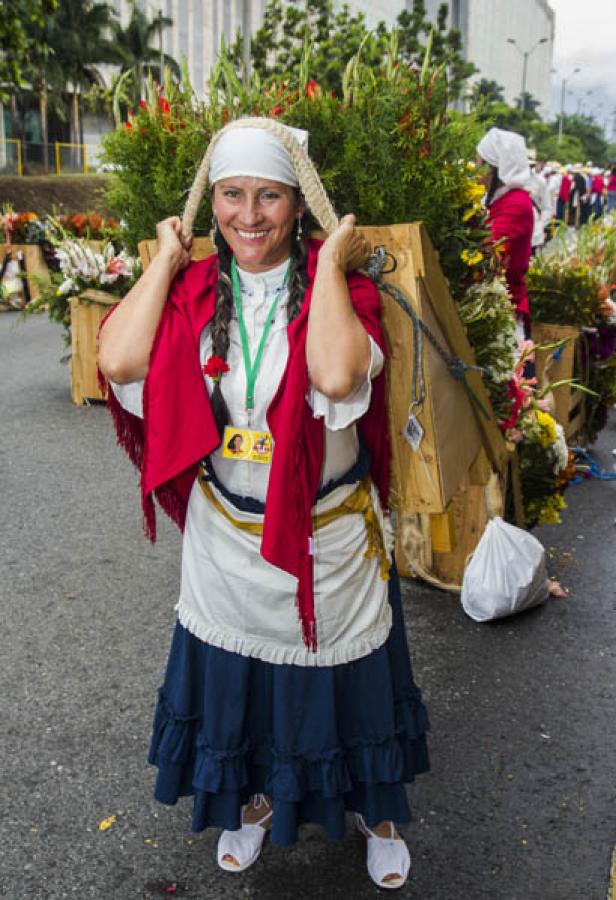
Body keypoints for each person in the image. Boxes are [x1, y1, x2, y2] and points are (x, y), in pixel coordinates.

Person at [97, 117, 429, 890]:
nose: (249, 215)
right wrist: (167, 257)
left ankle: (375, 812)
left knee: (349, 681)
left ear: (299, 204)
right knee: (239, 681)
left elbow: (340, 379)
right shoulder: (187, 292)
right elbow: (115, 358)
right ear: (211, 201)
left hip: (327, 533)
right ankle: (251, 802)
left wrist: (333, 256)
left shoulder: (342, 292)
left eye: (270, 196)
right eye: (232, 195)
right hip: (226, 536)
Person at [476, 127, 534, 340]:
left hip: (505, 309)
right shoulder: (497, 198)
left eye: (480, 165)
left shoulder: (516, 204)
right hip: (490, 303)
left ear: (495, 170)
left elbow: (489, 248)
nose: (476, 172)